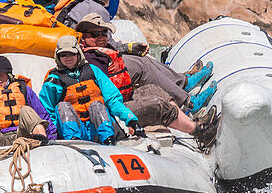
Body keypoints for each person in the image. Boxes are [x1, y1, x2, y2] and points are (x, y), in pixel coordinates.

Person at [73, 14, 214, 139]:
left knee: (154, 90)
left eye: (103, 33)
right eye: (94, 35)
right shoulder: (90, 60)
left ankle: (190, 114)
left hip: (118, 100)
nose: (100, 38)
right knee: (158, 104)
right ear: (84, 37)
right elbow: (102, 95)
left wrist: (127, 48)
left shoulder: (99, 51)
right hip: (110, 113)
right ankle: (200, 132)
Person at [39, 35, 142, 144]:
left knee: (96, 105)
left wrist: (131, 119)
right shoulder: (53, 81)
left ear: (78, 53)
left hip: (99, 128)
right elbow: (47, 111)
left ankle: (108, 140)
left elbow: (112, 99)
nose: (68, 57)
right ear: (57, 57)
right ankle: (74, 141)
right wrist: (52, 135)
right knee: (62, 106)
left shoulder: (93, 71)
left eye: (71, 53)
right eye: (63, 54)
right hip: (73, 132)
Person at [0, 55, 56, 150]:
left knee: (26, 110)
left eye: (1, 75)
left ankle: (42, 141)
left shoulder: (24, 90)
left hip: (24, 137)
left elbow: (43, 115)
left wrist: (52, 138)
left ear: (8, 76)